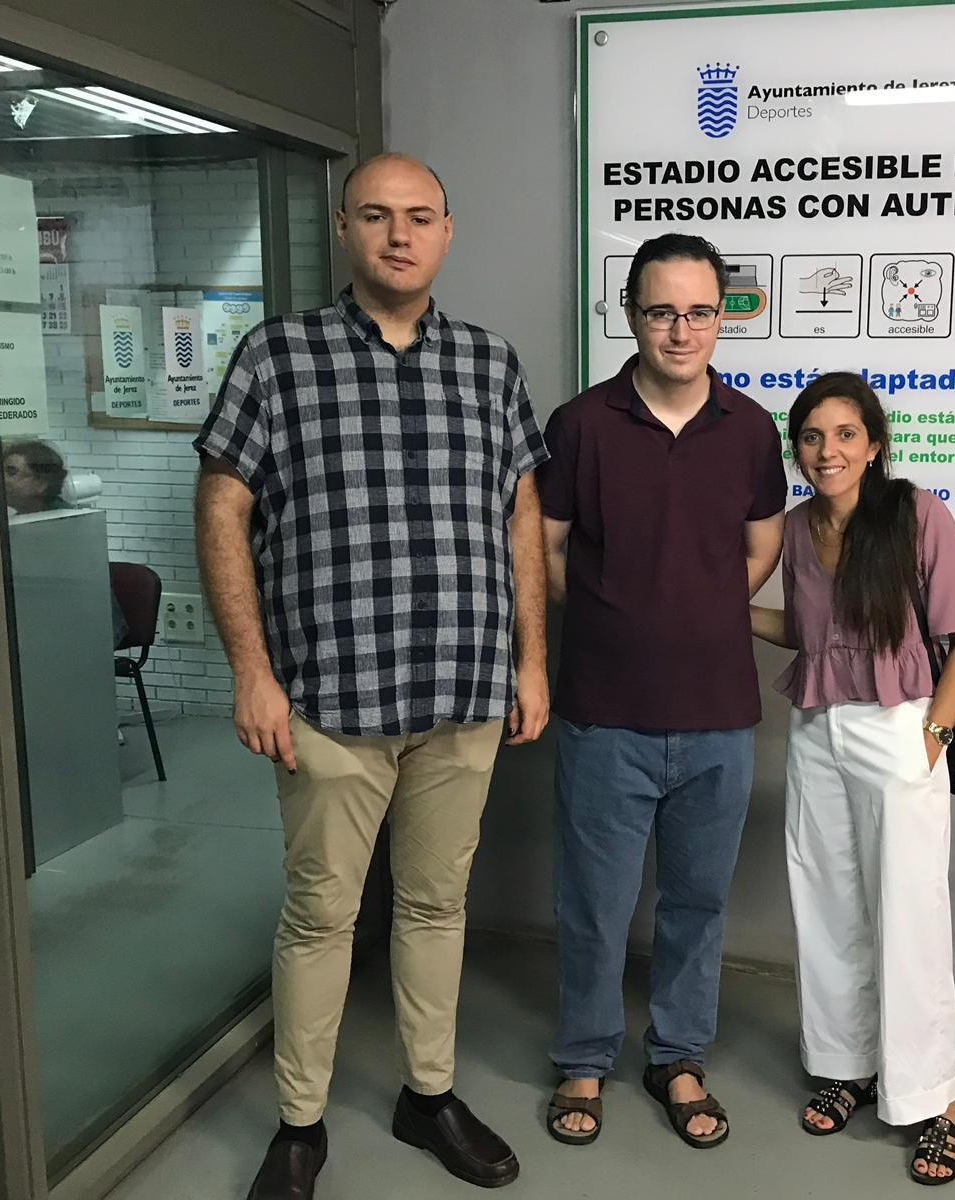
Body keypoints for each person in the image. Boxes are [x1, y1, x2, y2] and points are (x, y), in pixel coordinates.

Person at [194, 153, 549, 1200]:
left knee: (438, 908)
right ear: (345, 228)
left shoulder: (489, 364)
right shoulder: (276, 357)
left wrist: (532, 659)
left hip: (463, 692)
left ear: (448, 230)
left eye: (421, 217)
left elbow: (521, 513)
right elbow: (223, 510)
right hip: (328, 699)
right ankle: (300, 1125)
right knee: (320, 918)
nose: (400, 234)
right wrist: (251, 673)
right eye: (379, 216)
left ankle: (426, 1095)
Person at [539, 233, 786, 1149]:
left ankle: (678, 1055)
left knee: (697, 905)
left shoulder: (753, 430)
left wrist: (699, 606)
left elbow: (760, 549)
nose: (680, 331)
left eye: (698, 312)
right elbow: (548, 549)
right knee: (594, 906)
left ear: (721, 317)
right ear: (630, 315)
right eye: (660, 311)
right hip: (605, 714)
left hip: (720, 715)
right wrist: (617, 609)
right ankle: (583, 1059)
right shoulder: (581, 425)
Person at [750, 372, 955, 1186]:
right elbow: (809, 635)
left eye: (845, 434)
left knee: (909, 915)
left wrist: (931, 736)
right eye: (812, 437)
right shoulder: (793, 526)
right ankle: (846, 1064)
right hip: (817, 730)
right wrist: (727, 605)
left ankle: (936, 1099)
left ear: (875, 443)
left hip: (900, 728)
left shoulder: (917, 515)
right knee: (826, 904)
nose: (828, 451)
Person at [2, 439, 68, 514]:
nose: (1, 479)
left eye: (11, 472)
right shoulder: (27, 516)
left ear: (41, 483)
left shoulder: (65, 519)